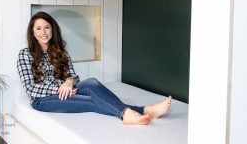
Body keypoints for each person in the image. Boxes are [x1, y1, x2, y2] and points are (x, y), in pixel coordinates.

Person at [17, 11, 172, 125]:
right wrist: (61, 89)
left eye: (47, 27)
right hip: (42, 100)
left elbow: (73, 76)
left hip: (66, 90)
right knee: (92, 101)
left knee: (91, 82)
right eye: (38, 28)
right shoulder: (25, 55)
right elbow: (31, 89)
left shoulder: (60, 51)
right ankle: (140, 111)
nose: (43, 32)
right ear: (32, 32)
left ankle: (134, 113)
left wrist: (69, 83)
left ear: (52, 29)